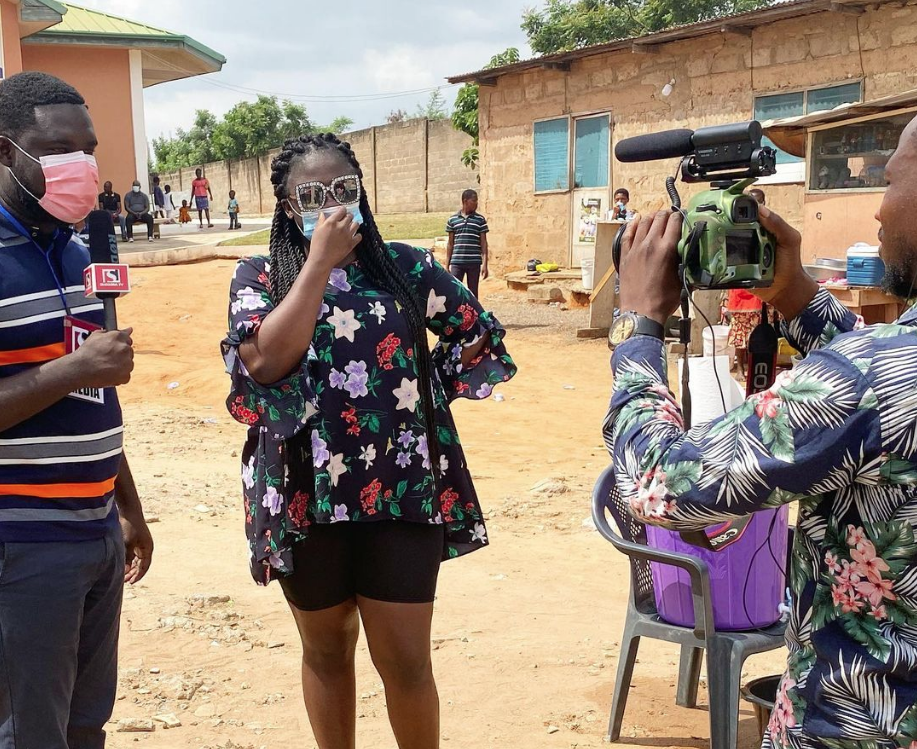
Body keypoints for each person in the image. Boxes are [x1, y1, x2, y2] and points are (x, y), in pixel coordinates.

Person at [603, 116, 917, 749]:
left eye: (888, 181)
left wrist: (637, 329)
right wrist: (796, 294)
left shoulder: (873, 378)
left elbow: (664, 484)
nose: (879, 211)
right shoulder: (882, 372)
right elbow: (880, 401)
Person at [222, 133, 516, 749]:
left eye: (344, 191)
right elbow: (265, 361)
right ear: (285, 206)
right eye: (312, 195)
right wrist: (317, 266)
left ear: (363, 194)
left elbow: (478, 332)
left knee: (406, 659)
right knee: (327, 652)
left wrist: (418, 394)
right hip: (305, 489)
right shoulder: (259, 276)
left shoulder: (406, 267)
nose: (331, 205)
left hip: (401, 486)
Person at [0, 70, 153, 748]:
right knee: (30, 729)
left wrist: (126, 505)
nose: (81, 166)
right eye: (59, 148)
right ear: (8, 152)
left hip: (94, 533)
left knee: (86, 721)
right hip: (23, 542)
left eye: (87, 148)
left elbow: (96, 394)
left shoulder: (80, 250)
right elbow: (80, 372)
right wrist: (72, 369)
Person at [445, 188, 489, 297]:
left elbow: (483, 243)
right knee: (454, 292)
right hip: (457, 262)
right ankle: (456, 314)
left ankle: (474, 314)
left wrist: (485, 265)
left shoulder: (480, 220)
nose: (476, 203)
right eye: (474, 201)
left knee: (473, 294)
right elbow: (450, 244)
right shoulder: (453, 220)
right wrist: (447, 265)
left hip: (474, 262)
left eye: (477, 201)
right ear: (465, 201)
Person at [725, 287, 763, 377]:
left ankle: (751, 368)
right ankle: (740, 368)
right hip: (739, 294)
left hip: (754, 293)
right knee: (740, 334)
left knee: (754, 335)